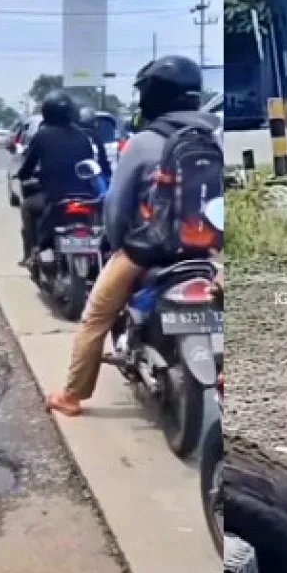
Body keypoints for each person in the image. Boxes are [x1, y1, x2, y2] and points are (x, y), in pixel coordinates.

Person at [45, 55, 220, 417]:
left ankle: (72, 397)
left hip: (151, 251)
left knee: (94, 318)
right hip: (203, 249)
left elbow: (116, 206)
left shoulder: (144, 142)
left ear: (155, 96)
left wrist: (116, 244)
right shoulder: (212, 136)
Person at [15, 89, 97, 265]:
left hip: (55, 197)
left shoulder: (42, 135)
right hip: (85, 197)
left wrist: (22, 175)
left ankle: (31, 253)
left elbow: (28, 165)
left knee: (26, 208)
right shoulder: (83, 136)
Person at [76, 106, 114, 183]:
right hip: (94, 178)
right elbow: (103, 162)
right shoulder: (95, 138)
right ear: (93, 122)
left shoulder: (73, 135)